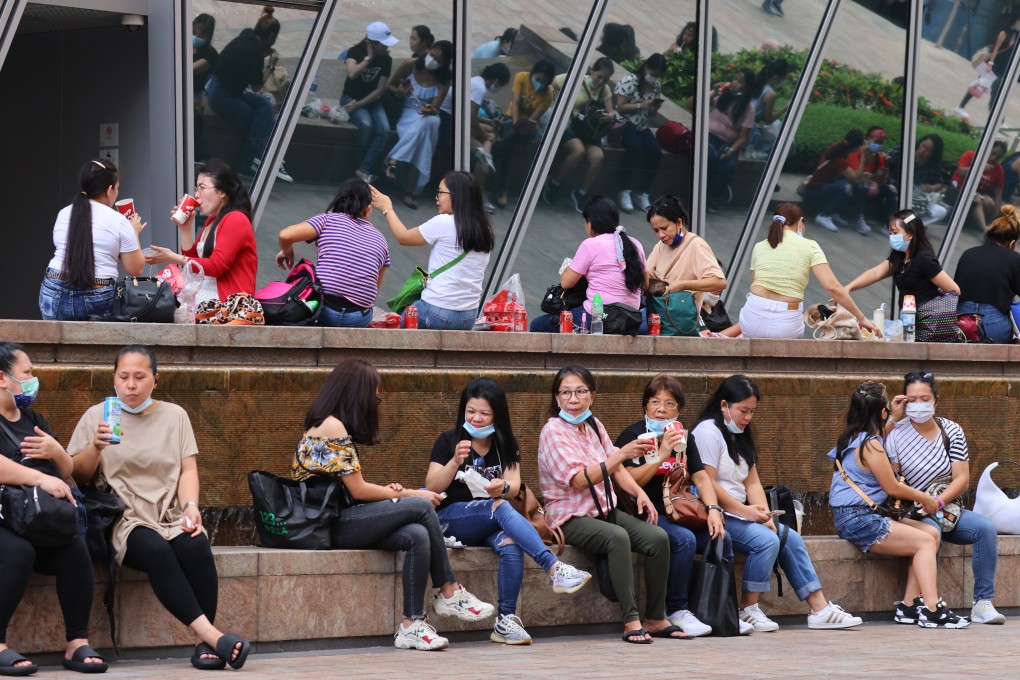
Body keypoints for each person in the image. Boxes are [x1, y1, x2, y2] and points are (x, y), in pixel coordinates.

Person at [69, 345, 251, 670]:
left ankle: (204, 644)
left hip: (168, 513)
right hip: (124, 518)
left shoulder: (174, 415)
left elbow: (188, 470)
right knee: (156, 550)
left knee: (196, 545)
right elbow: (76, 475)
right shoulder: (98, 416)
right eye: (123, 377)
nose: (131, 385)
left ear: (156, 379)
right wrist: (95, 447)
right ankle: (213, 636)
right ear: (114, 379)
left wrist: (192, 507)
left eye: (140, 377)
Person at [292, 359, 494, 651]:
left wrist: (388, 492)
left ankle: (411, 624)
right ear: (357, 393)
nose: (376, 402)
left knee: (417, 534)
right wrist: (410, 493)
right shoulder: (332, 425)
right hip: (328, 524)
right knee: (422, 506)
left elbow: (347, 488)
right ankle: (449, 590)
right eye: (375, 395)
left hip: (340, 517)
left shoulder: (327, 422)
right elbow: (359, 491)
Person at [425, 377, 591, 645]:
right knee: (499, 507)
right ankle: (554, 567)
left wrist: (502, 486)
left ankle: (505, 621)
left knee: (511, 543)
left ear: (496, 415)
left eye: (484, 413)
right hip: (449, 520)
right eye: (471, 411)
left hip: (489, 522)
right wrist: (455, 461)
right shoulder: (449, 441)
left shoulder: (505, 444)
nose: (476, 418)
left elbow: (514, 487)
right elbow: (432, 485)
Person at [695, 375, 863, 632]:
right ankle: (748, 609)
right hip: (717, 513)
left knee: (789, 537)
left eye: (752, 411)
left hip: (742, 513)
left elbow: (752, 483)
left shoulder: (740, 434)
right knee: (766, 540)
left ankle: (819, 609)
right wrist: (748, 513)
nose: (748, 417)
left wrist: (765, 515)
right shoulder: (707, 432)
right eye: (743, 411)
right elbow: (706, 482)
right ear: (723, 405)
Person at [537, 365, 684, 643]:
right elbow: (580, 480)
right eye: (565, 392)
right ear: (556, 398)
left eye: (580, 391)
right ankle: (631, 621)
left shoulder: (594, 424)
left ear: (592, 395)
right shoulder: (553, 431)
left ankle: (654, 617)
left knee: (658, 538)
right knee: (616, 537)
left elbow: (617, 470)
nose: (573, 399)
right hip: (570, 516)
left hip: (604, 510)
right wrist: (623, 455)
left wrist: (638, 493)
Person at [0, 342, 107, 675]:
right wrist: (37, 479)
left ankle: (76, 642)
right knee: (19, 553)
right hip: (4, 520)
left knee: (74, 547)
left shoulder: (34, 419)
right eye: (27, 373)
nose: (33, 380)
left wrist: (56, 450)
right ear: (2, 379)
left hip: (36, 517)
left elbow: (67, 472)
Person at [827, 380, 969, 628]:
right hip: (859, 518)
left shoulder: (855, 436)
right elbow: (892, 487)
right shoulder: (871, 444)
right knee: (924, 541)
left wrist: (891, 416)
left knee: (932, 533)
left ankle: (909, 606)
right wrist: (926, 498)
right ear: (881, 412)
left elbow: (880, 439)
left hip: (856, 515)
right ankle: (933, 609)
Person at [613, 374, 737, 638]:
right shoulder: (634, 435)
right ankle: (675, 609)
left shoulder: (684, 436)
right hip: (644, 511)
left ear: (679, 409)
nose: (661, 409)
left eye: (669, 404)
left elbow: (701, 477)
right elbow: (629, 481)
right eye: (654, 402)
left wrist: (714, 510)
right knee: (684, 540)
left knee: (722, 537)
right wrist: (662, 455)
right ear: (645, 405)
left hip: (680, 510)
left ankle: (719, 609)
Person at [886, 371, 1004, 625]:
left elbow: (961, 478)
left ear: (936, 400)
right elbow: (888, 475)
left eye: (924, 399)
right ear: (904, 401)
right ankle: (924, 602)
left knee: (985, 529)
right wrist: (892, 420)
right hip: (911, 512)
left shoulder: (951, 430)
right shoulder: (895, 434)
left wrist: (937, 503)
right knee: (929, 534)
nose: (919, 405)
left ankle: (983, 603)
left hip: (945, 508)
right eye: (912, 399)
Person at [718, 203, 878, 339]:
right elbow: (833, 287)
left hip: (751, 319)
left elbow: (756, 283)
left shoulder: (760, 246)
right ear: (800, 221)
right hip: (786, 323)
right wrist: (861, 318)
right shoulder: (809, 246)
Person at [370, 171, 494, 330]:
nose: (437, 197)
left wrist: (387, 208)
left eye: (440, 192)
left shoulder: (445, 222)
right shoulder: (485, 230)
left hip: (436, 311)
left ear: (457, 195)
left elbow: (403, 237)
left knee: (389, 328)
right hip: (468, 316)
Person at [39, 159, 145, 321]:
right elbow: (135, 269)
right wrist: (134, 232)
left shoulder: (64, 213)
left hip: (54, 287)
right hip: (98, 294)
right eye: (117, 188)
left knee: (54, 346)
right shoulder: (119, 221)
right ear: (110, 190)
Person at [275, 179, 390, 327]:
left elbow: (285, 235)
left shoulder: (327, 220)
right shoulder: (380, 239)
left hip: (324, 310)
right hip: (357, 318)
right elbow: (374, 290)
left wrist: (287, 251)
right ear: (367, 209)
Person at [145, 159, 258, 305]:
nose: (196, 195)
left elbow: (216, 267)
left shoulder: (236, 219)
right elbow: (194, 268)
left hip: (228, 305)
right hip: (208, 298)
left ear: (222, 192)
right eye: (196, 189)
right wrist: (185, 229)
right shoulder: (212, 221)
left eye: (202, 188)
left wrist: (174, 257)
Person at [529, 195, 646, 333]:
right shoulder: (635, 244)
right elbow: (645, 284)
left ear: (590, 222)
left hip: (597, 316)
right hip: (630, 318)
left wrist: (568, 267)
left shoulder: (590, 245)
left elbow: (567, 283)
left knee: (538, 325)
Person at [206, 6, 288, 179]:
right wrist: (271, 64)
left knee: (264, 104)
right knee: (253, 117)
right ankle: (249, 161)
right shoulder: (256, 53)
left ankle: (259, 153)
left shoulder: (247, 35)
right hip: (222, 96)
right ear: (271, 37)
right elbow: (257, 87)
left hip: (218, 85)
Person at [846, 209, 960, 312]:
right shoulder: (899, 257)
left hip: (927, 324)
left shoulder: (924, 259)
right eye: (890, 233)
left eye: (895, 233)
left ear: (910, 234)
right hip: (907, 318)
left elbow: (954, 290)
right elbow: (875, 273)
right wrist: (848, 288)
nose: (891, 236)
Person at [384, 40, 454, 209]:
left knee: (430, 121)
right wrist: (400, 92)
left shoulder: (444, 78)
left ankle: (394, 159)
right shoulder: (410, 64)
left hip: (426, 116)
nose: (432, 60)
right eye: (431, 55)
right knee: (423, 139)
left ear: (444, 63)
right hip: (407, 114)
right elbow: (390, 86)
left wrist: (430, 109)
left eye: (437, 59)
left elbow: (436, 108)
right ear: (428, 50)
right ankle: (410, 191)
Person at [543, 58, 617, 213]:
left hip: (589, 130)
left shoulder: (605, 90)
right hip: (569, 124)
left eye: (606, 79)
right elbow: (549, 86)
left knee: (598, 158)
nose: (601, 81)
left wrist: (609, 117)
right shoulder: (574, 80)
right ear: (591, 71)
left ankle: (581, 193)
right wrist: (553, 104)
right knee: (578, 151)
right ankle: (554, 183)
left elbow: (611, 113)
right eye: (599, 76)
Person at [644, 195, 727, 319]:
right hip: (659, 317)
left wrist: (681, 285)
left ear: (679, 222)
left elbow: (719, 282)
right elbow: (646, 279)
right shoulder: (660, 246)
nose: (661, 235)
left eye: (664, 228)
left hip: (681, 322)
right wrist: (647, 276)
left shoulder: (696, 245)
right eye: (656, 231)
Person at [490, 60, 556, 209]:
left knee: (509, 140)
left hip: (529, 128)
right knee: (510, 144)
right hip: (512, 119)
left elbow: (534, 118)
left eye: (543, 82)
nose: (539, 83)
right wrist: (515, 122)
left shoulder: (548, 95)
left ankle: (493, 157)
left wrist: (523, 124)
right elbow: (515, 103)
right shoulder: (521, 77)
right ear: (533, 73)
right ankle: (502, 190)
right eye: (538, 79)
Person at [341, 22, 398, 185]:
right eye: (383, 45)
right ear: (372, 43)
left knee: (384, 130)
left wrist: (360, 104)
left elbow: (379, 90)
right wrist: (368, 59)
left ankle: (363, 169)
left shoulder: (387, 60)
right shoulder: (354, 52)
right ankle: (359, 167)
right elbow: (352, 74)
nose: (386, 49)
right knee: (366, 126)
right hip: (350, 98)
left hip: (372, 101)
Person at [955, 205, 1020, 344]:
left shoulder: (968, 253)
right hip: (994, 325)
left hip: (961, 323)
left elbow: (956, 290)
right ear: (1012, 243)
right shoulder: (1015, 259)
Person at [613, 54, 666, 213]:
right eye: (652, 73)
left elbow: (650, 114)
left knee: (655, 152)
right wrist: (640, 105)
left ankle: (642, 192)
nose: (654, 77)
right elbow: (620, 107)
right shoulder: (631, 80)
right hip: (625, 122)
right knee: (635, 148)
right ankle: (624, 190)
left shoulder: (656, 85)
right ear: (646, 67)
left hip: (642, 125)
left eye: (657, 75)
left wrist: (653, 109)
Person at [706, 68, 757, 214]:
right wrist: (714, 92)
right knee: (711, 157)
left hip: (729, 143)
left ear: (747, 87)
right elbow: (692, 104)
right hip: (711, 136)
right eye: (735, 79)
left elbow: (743, 136)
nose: (735, 83)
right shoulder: (722, 94)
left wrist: (732, 150)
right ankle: (712, 192)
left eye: (740, 82)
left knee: (728, 166)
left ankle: (715, 196)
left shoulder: (748, 107)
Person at [956, 10, 1020, 118]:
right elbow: (996, 48)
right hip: (993, 64)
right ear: (1016, 20)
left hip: (1003, 67)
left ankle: (998, 119)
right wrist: (990, 63)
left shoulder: (1017, 35)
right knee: (979, 86)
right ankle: (961, 107)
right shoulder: (1004, 32)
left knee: (996, 91)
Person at [803, 129, 870, 231]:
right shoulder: (839, 157)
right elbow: (854, 177)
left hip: (820, 188)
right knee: (846, 187)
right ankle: (824, 215)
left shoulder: (838, 147)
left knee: (855, 185)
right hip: (813, 192)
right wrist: (863, 157)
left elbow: (854, 177)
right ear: (856, 147)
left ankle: (833, 212)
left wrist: (861, 178)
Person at [469, 62, 511, 213]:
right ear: (497, 81)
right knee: (483, 151)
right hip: (458, 126)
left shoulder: (475, 82)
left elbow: (471, 113)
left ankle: (486, 151)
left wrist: (488, 122)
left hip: (462, 122)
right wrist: (482, 133)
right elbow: (470, 117)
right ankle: (479, 196)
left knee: (492, 133)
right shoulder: (479, 88)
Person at [846, 126, 897, 231]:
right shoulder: (857, 153)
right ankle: (858, 218)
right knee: (863, 185)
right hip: (856, 183)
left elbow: (881, 181)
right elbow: (854, 176)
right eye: (876, 141)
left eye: (881, 142)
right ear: (867, 140)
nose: (878, 145)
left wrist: (883, 174)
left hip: (871, 185)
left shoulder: (879, 157)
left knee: (891, 189)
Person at [951, 142, 1006, 231]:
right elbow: (960, 171)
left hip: (978, 193)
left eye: (998, 157)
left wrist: (996, 212)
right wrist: (980, 167)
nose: (994, 158)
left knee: (989, 202)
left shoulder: (998, 169)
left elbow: (998, 192)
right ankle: (985, 230)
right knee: (978, 201)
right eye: (993, 153)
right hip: (960, 186)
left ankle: (981, 225)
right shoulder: (970, 155)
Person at [747, 59, 789, 159]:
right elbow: (768, 120)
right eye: (783, 78)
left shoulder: (755, 83)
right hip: (748, 132)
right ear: (776, 77)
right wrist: (787, 106)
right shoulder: (770, 94)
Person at [192, 13, 218, 161]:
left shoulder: (210, 54)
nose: (195, 36)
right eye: (193, 32)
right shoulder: (181, 44)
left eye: (200, 34)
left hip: (194, 93)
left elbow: (187, 70)